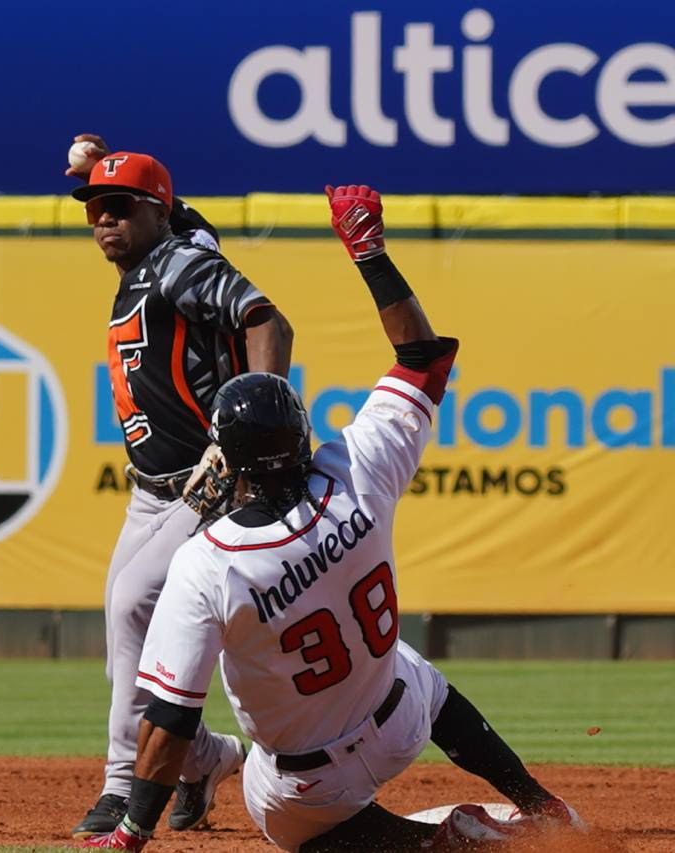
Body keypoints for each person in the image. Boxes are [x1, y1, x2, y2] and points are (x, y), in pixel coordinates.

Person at [80, 185, 586, 851]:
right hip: (401, 717)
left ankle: (435, 841)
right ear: (300, 428)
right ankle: (541, 803)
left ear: (227, 462)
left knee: (283, 819)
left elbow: (173, 716)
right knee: (414, 672)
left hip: (307, 783)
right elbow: (422, 357)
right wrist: (369, 252)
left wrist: (131, 831)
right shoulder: (358, 465)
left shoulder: (207, 562)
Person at [65, 135, 295, 838]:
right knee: (123, 629)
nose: (104, 219)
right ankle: (205, 758)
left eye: (120, 207)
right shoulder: (168, 244)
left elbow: (267, 319)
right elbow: (180, 214)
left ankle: (121, 784)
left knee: (133, 604)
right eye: (95, 209)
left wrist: (253, 424)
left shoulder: (178, 264)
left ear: (156, 211)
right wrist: (105, 167)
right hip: (149, 490)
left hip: (207, 478)